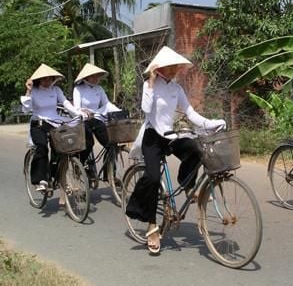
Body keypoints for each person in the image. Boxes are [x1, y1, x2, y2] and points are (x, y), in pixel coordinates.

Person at [125, 46, 225, 254]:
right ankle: (151, 225)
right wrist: (151, 82)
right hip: (152, 137)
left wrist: (213, 123)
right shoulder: (148, 85)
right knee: (152, 179)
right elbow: (145, 109)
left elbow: (191, 114)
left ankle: (187, 185)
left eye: (175, 67)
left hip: (169, 135)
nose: (173, 70)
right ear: (159, 68)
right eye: (169, 67)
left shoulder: (177, 89)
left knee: (196, 148)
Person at [21, 64, 89, 194]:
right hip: (38, 123)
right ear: (38, 80)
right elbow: (26, 109)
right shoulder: (33, 91)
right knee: (42, 147)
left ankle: (53, 176)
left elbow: (65, 103)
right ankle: (40, 180)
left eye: (49, 78)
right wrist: (28, 91)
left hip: (55, 121)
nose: (47, 81)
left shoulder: (56, 90)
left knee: (63, 148)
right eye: (44, 79)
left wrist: (78, 114)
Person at [73, 63, 121, 183]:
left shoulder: (99, 89)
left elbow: (107, 104)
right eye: (93, 76)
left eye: (97, 76)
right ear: (86, 77)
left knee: (111, 145)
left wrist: (120, 112)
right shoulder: (78, 89)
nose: (96, 78)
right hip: (83, 120)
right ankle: (80, 164)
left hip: (97, 119)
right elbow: (76, 107)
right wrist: (82, 110)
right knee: (89, 143)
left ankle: (109, 174)